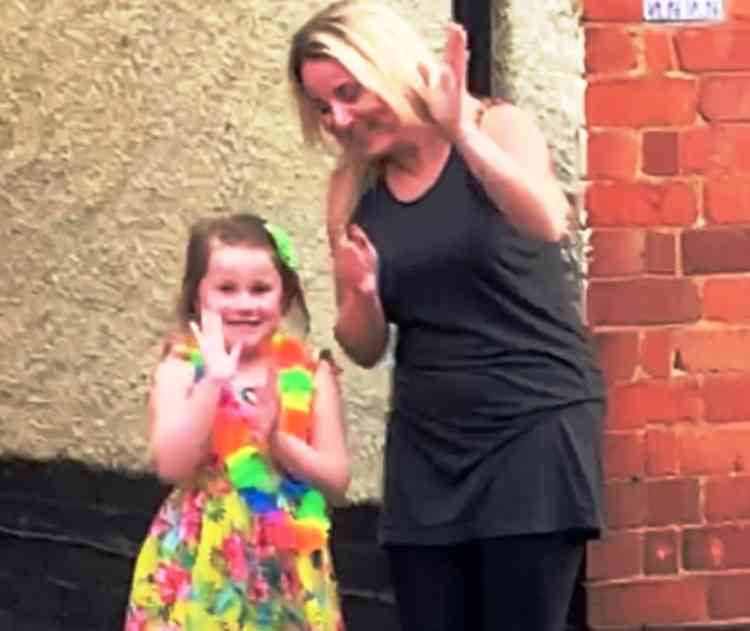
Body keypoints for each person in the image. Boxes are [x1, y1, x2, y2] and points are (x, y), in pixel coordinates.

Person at [287, 2, 606, 631]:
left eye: (349, 93)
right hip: (428, 444)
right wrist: (364, 294)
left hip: (532, 428)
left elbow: (547, 220)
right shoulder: (352, 190)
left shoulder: (499, 125)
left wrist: (462, 131)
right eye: (324, 107)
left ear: (388, 65)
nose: (340, 119)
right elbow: (363, 344)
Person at [124, 213, 349, 631]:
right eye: (227, 289)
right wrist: (214, 382)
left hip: (287, 567)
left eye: (260, 289)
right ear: (198, 298)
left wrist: (278, 441)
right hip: (199, 565)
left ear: (284, 298)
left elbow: (336, 482)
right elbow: (171, 466)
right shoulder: (180, 369)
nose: (245, 304)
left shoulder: (309, 373)